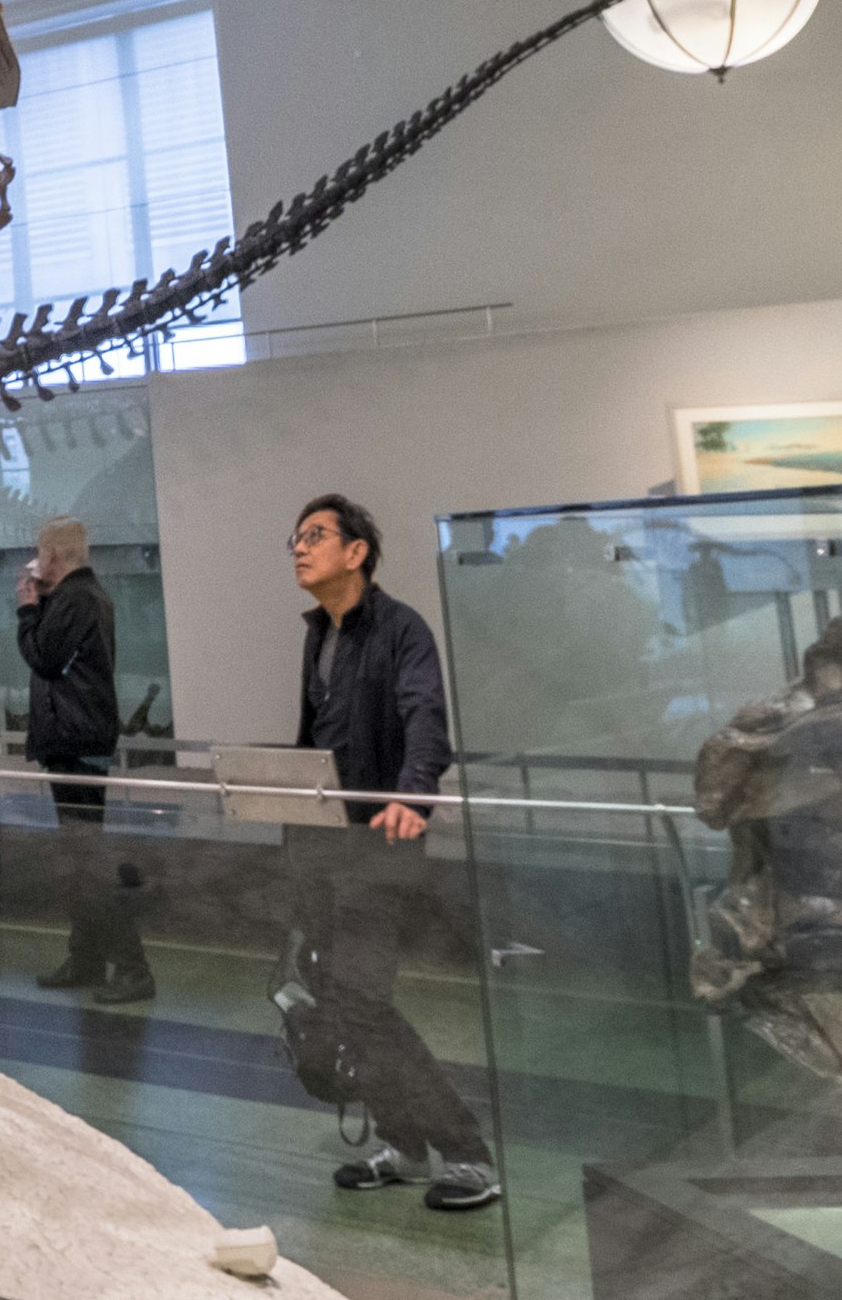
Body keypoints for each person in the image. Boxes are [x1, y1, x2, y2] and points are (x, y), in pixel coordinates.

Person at [284, 494, 499, 1213]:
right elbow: (319, 741)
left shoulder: (402, 630)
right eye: (295, 538)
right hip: (324, 844)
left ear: (357, 552)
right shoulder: (319, 634)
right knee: (341, 1000)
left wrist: (413, 794)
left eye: (315, 536)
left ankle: (466, 1150)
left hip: (382, 841)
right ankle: (405, 1144)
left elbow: (425, 717)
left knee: (362, 1001)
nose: (299, 547)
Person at [17, 518, 149, 1004]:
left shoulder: (76, 599)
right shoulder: (80, 598)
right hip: (76, 739)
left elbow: (45, 657)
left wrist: (27, 611)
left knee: (86, 860)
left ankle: (133, 967)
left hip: (76, 742)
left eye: (40, 550)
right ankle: (89, 955)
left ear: (53, 552)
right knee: (79, 859)